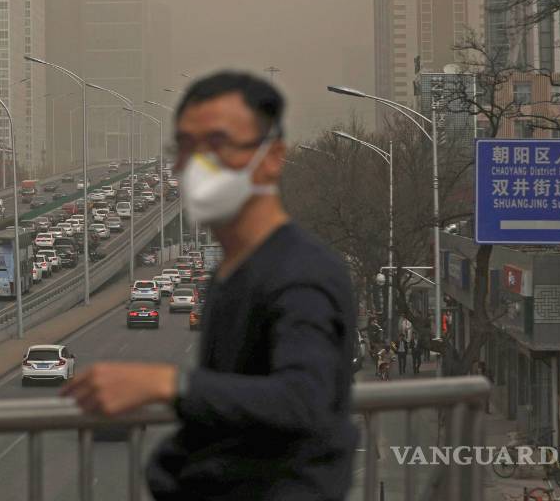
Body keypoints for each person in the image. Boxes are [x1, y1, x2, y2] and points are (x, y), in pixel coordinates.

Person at [62, 71, 358, 500]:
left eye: (218, 144)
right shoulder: (232, 271)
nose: (199, 165)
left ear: (272, 156)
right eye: (186, 147)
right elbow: (228, 411)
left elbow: (306, 398)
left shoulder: (301, 272)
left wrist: (167, 384)